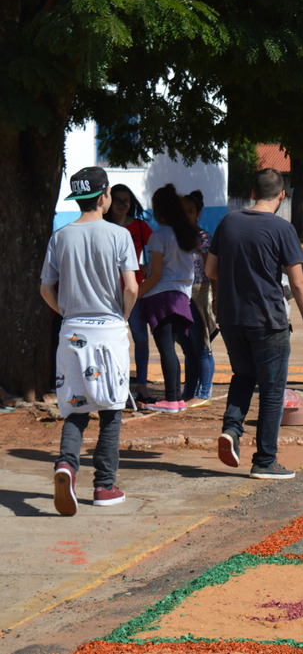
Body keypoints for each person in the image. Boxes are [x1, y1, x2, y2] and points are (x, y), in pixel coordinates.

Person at [205, 168, 303, 479]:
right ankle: (265, 461)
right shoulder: (282, 229)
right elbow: (298, 284)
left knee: (243, 376)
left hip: (230, 318)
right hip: (268, 320)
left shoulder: (228, 221)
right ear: (282, 196)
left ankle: (231, 429)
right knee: (271, 390)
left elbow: (211, 269)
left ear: (252, 193)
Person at [41, 167, 139, 515]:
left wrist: (65, 310)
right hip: (107, 332)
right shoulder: (119, 235)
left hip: (72, 332)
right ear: (104, 197)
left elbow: (45, 288)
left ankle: (66, 465)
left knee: (75, 408)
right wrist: (122, 316)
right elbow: (130, 287)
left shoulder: (61, 237)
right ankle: (104, 486)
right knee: (111, 410)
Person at [136, 184, 198, 413]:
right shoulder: (185, 235)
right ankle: (177, 399)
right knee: (171, 347)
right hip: (181, 297)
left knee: (166, 349)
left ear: (159, 211)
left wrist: (134, 296)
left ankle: (172, 399)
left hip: (161, 297)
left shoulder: (159, 235)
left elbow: (155, 275)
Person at [107, 184, 154, 402]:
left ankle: (142, 385)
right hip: (107, 293)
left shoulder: (141, 227)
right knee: (110, 341)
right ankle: (113, 385)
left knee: (140, 339)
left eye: (127, 200)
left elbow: (156, 255)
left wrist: (146, 269)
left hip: (134, 291)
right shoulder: (103, 227)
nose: (122, 204)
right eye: (118, 199)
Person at [179, 190, 216, 407]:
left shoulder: (203, 239)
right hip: (179, 294)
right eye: (182, 212)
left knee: (202, 344)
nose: (186, 216)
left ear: (199, 213)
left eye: (191, 211)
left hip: (199, 293)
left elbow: (212, 271)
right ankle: (189, 390)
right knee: (188, 347)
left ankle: (203, 392)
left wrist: (216, 298)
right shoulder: (173, 238)